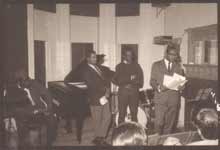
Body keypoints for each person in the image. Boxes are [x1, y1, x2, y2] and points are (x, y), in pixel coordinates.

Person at [3, 69, 57, 147]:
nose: (28, 82)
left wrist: (47, 109)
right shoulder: (14, 89)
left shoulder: (35, 84)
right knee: (19, 118)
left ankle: (49, 144)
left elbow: (48, 95)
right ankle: (23, 143)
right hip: (25, 112)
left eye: (27, 79)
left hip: (40, 109)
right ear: (19, 82)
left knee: (52, 120)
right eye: (24, 80)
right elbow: (9, 103)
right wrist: (8, 117)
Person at [150, 43, 184, 135]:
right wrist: (158, 88)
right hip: (160, 99)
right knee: (159, 123)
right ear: (166, 54)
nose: (174, 57)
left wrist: (181, 86)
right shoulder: (156, 65)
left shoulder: (178, 67)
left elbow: (181, 83)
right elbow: (152, 81)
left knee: (169, 125)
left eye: (175, 55)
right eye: (171, 54)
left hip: (173, 100)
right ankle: (156, 143)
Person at [82, 51, 111, 145]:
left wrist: (107, 90)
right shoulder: (86, 70)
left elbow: (105, 79)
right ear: (88, 59)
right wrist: (105, 91)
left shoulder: (97, 67)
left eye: (95, 57)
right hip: (95, 98)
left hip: (104, 97)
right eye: (93, 57)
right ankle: (99, 139)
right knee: (97, 120)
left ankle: (100, 137)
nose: (95, 59)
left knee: (107, 117)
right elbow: (91, 85)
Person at [112, 49, 144, 125]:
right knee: (122, 114)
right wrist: (130, 78)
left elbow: (140, 80)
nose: (129, 57)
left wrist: (128, 81)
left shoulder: (137, 66)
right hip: (123, 92)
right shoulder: (119, 66)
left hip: (134, 92)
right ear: (124, 56)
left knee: (134, 114)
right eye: (127, 55)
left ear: (132, 56)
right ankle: (120, 133)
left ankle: (134, 133)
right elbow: (115, 80)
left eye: (130, 55)